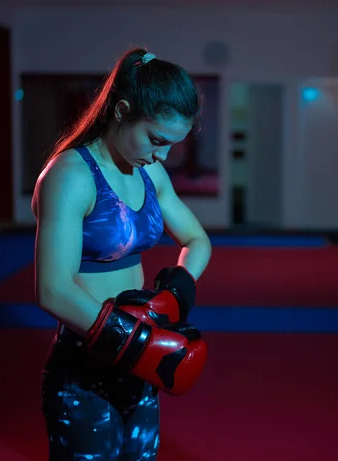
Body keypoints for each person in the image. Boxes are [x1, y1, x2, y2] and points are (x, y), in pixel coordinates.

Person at [31, 48, 212, 460]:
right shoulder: (71, 176)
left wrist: (174, 295)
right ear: (122, 111)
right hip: (85, 368)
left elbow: (197, 241)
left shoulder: (149, 171)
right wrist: (134, 342)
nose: (162, 155)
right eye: (156, 140)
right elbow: (52, 290)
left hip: (137, 361)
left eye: (172, 146)